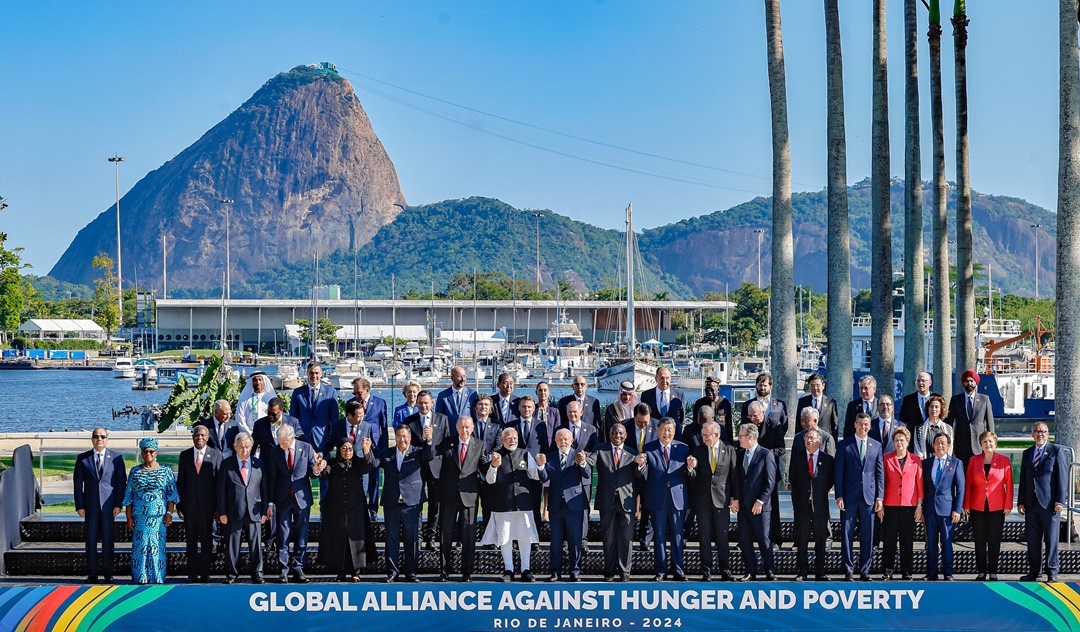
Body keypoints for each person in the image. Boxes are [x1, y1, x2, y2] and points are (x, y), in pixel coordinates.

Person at [425, 415, 485, 582]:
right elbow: (432, 457)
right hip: (448, 496)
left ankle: (467, 572)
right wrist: (428, 441)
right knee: (446, 535)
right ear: (456, 428)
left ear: (472, 428)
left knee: (469, 537)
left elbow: (484, 466)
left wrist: (493, 465)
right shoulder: (447, 443)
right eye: (461, 427)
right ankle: (444, 571)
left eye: (467, 427)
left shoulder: (479, 445)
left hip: (469, 497)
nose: (464, 430)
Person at [481, 427, 541, 582]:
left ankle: (525, 569)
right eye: (508, 438)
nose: (512, 440)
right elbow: (489, 480)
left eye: (514, 437)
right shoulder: (494, 456)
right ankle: (509, 570)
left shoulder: (525, 454)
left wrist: (541, 465)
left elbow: (535, 475)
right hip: (503, 504)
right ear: (502, 440)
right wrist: (494, 466)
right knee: (505, 538)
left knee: (525, 537)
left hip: (523, 503)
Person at [314, 436, 375, 582]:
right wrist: (319, 467)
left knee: (356, 539)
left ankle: (356, 571)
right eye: (344, 448)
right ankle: (340, 571)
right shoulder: (333, 463)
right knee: (339, 539)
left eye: (350, 448)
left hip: (356, 508)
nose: (347, 451)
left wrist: (367, 452)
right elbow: (324, 474)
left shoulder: (358, 462)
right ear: (338, 450)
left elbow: (368, 466)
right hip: (336, 509)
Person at [73, 427, 127, 584]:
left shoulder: (116, 458)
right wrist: (79, 506)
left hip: (109, 508)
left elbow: (120, 483)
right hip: (90, 508)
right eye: (96, 436)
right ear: (92, 439)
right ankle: (92, 574)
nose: (99, 439)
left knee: (108, 541)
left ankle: (108, 573)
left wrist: (118, 504)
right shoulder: (83, 458)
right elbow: (77, 485)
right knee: (90, 541)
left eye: (102, 436)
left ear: (107, 439)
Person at [538, 428, 592, 581]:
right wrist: (541, 466)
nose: (563, 441)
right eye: (560, 439)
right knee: (556, 540)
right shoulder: (550, 457)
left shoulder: (578, 456)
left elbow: (587, 474)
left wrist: (582, 464)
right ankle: (555, 571)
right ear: (555, 441)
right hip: (556, 505)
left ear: (572, 441)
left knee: (575, 540)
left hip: (574, 505)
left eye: (566, 439)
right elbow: (544, 478)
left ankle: (575, 571)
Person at [217, 432, 272, 584]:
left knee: (256, 545)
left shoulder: (258, 464)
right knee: (232, 545)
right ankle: (232, 574)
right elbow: (220, 490)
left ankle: (257, 573)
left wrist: (264, 511)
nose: (245, 450)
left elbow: (264, 488)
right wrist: (222, 512)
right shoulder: (226, 464)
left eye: (248, 447)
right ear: (235, 447)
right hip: (233, 511)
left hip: (254, 512)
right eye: (241, 447)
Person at [122, 437, 179, 584]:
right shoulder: (135, 471)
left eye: (151, 451)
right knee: (140, 547)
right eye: (145, 451)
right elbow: (129, 494)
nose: (148, 454)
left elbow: (171, 493)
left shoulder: (166, 470)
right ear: (141, 453)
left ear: (156, 453)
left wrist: (169, 513)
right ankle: (140, 577)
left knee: (156, 547)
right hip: (140, 516)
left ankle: (157, 577)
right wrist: (128, 516)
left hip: (158, 516)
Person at [835, 412, 884, 581]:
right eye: (861, 423)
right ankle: (848, 570)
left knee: (868, 535)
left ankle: (865, 570)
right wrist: (839, 495)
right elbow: (839, 471)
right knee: (847, 534)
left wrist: (880, 497)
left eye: (866, 424)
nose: (863, 427)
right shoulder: (844, 445)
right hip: (849, 497)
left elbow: (879, 474)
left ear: (870, 426)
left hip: (869, 497)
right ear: (855, 424)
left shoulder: (876, 445)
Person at [639, 417, 690, 581]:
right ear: (657, 430)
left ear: (674, 431)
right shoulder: (648, 448)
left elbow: (689, 475)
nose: (666, 433)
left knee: (677, 536)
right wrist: (640, 464)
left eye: (670, 430)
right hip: (657, 497)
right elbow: (643, 473)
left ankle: (678, 570)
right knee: (659, 536)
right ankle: (660, 571)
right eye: (663, 429)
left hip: (677, 498)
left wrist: (691, 468)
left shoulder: (683, 448)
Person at [376, 425, 428, 582]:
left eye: (405, 436)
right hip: (392, 502)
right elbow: (372, 463)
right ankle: (392, 572)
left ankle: (411, 572)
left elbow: (430, 455)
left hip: (411, 502)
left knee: (412, 539)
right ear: (395, 438)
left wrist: (429, 440)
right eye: (399, 436)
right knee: (391, 539)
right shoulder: (387, 453)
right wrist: (366, 450)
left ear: (410, 437)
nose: (402, 439)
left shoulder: (418, 452)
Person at [267, 424, 318, 584]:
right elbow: (272, 478)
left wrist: (316, 469)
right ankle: (283, 570)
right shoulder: (276, 452)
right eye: (279, 442)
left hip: (301, 498)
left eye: (283, 443)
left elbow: (312, 473)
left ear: (291, 438)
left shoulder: (306, 448)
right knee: (283, 535)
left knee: (301, 535)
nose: (281, 445)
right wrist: (270, 502)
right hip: (282, 498)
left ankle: (298, 568)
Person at [686, 421, 737, 582]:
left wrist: (735, 498)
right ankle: (706, 570)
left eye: (707, 435)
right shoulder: (699, 450)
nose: (704, 438)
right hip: (703, 501)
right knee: (704, 537)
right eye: (703, 435)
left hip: (722, 501)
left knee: (722, 537)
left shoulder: (729, 450)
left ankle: (725, 569)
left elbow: (734, 477)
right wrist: (690, 468)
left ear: (717, 435)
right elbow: (694, 480)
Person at [1018, 422, 1068, 582]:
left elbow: (1062, 478)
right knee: (1033, 540)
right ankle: (1034, 572)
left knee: (1051, 540)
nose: (1040, 434)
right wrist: (1020, 502)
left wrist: (1060, 500)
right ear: (1032, 434)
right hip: (1031, 504)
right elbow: (1024, 479)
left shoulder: (1056, 451)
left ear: (1048, 434)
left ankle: (1052, 571)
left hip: (1049, 504)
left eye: (1043, 432)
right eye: (1037, 432)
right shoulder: (1027, 453)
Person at [593, 423, 642, 582]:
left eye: (621, 433)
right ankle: (609, 572)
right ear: (610, 434)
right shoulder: (600, 449)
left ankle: (624, 572)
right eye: (614, 433)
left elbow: (637, 476)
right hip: (607, 500)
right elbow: (589, 461)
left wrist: (640, 465)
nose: (618, 436)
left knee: (626, 539)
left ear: (626, 435)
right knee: (608, 538)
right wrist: (582, 460)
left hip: (626, 501)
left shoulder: (632, 452)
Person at [403, 390, 449, 550]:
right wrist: (424, 442)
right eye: (420, 402)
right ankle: (418, 537)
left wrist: (433, 452)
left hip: (436, 467)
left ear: (432, 403)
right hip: (417, 468)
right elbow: (407, 445)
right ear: (416, 403)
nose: (423, 405)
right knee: (417, 503)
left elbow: (446, 443)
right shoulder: (409, 421)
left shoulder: (442, 419)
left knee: (435, 505)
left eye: (426, 402)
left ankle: (431, 538)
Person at [964, 431, 1014, 581]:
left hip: (997, 506)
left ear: (996, 443)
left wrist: (1008, 505)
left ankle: (992, 571)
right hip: (977, 505)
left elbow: (1009, 484)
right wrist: (966, 504)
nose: (988, 444)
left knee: (994, 539)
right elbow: (969, 484)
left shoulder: (1004, 460)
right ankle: (981, 571)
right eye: (985, 442)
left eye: (991, 441)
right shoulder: (973, 460)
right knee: (979, 539)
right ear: (980, 444)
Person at [731, 423, 777, 581]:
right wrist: (734, 499)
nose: (739, 439)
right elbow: (736, 480)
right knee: (745, 541)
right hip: (743, 506)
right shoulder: (739, 454)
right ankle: (750, 571)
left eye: (741, 436)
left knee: (764, 540)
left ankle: (769, 570)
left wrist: (760, 501)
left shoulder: (766, 454)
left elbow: (770, 482)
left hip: (760, 507)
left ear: (750, 437)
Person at [177, 425, 221, 583]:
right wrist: (179, 505)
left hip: (208, 508)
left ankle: (205, 573)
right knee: (190, 541)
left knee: (207, 541)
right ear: (193, 437)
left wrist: (218, 507)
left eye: (203, 435)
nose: (199, 438)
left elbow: (219, 483)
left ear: (208, 437)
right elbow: (181, 481)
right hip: (189, 506)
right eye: (197, 435)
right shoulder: (185, 455)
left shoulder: (216, 455)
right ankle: (192, 573)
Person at [789, 427, 833, 581]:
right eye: (807, 437)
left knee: (820, 540)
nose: (809, 440)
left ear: (819, 440)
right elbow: (793, 480)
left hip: (820, 505)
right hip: (802, 506)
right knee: (802, 540)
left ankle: (820, 571)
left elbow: (829, 481)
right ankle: (802, 572)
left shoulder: (827, 459)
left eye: (812, 438)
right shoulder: (797, 457)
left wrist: (818, 493)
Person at [879, 427, 922, 581]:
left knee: (907, 541)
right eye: (896, 440)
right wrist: (881, 503)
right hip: (890, 505)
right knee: (889, 540)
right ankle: (888, 571)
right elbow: (881, 482)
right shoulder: (886, 458)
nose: (899, 443)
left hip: (909, 506)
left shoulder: (915, 460)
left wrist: (919, 505)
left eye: (902, 440)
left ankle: (907, 572)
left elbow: (919, 484)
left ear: (908, 441)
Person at [922, 433, 965, 581]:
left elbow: (960, 488)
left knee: (946, 542)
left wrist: (957, 509)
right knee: (931, 542)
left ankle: (948, 572)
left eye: (943, 443)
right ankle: (931, 572)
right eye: (937, 443)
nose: (940, 445)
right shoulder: (926, 463)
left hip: (947, 509)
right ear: (933, 446)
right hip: (929, 509)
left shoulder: (956, 463)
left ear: (948, 445)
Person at [744, 399, 787, 548]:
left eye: (755, 416)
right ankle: (748, 539)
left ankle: (775, 539)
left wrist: (763, 454)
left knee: (772, 507)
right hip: (751, 474)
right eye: (750, 416)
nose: (752, 419)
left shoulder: (774, 425)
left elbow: (781, 449)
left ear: (763, 413)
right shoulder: (748, 426)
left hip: (768, 471)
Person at [624, 403, 658, 551]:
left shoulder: (657, 425)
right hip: (629, 472)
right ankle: (626, 539)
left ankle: (645, 540)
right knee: (628, 508)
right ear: (634, 416)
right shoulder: (624, 426)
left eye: (646, 422)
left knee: (648, 508)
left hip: (649, 474)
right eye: (639, 422)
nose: (643, 425)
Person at [947, 369, 995, 466]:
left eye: (972, 381)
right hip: (961, 446)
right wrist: (950, 445)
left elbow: (990, 423)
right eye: (967, 381)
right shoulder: (955, 400)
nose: (969, 383)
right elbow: (949, 424)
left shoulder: (984, 399)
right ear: (963, 383)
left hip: (979, 445)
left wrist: (991, 443)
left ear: (976, 383)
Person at [292, 361, 339, 454]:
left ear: (321, 374)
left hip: (322, 441)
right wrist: (299, 437)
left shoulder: (331, 392)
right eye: (311, 373)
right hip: (303, 441)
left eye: (317, 373)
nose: (314, 376)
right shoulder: (297, 393)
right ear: (307, 374)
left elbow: (334, 420)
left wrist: (331, 441)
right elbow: (293, 419)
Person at [739, 373, 788, 440]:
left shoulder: (780, 405)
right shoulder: (747, 405)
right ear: (756, 386)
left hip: (773, 443)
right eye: (760, 385)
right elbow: (744, 425)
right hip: (753, 442)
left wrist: (777, 438)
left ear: (771, 386)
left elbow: (784, 426)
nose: (762, 388)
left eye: (765, 386)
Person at [641, 367, 687, 432]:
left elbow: (682, 417)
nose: (664, 381)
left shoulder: (679, 395)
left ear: (670, 379)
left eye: (667, 378)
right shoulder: (646, 395)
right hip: (653, 434)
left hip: (674, 435)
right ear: (656, 379)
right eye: (662, 378)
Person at [795, 374, 839, 441]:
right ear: (809, 386)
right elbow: (798, 423)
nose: (815, 388)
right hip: (807, 440)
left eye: (818, 385)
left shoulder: (831, 402)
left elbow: (834, 425)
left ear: (823, 386)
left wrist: (834, 444)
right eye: (812, 385)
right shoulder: (802, 401)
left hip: (824, 440)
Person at [692, 377, 734, 445]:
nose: (709, 393)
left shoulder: (725, 403)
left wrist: (730, 443)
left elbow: (729, 425)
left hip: (721, 439)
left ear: (718, 390)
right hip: (704, 440)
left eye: (712, 390)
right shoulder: (699, 403)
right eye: (707, 390)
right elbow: (694, 424)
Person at [535, 381, 561, 446]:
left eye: (545, 390)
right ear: (536, 392)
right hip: (534, 444)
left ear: (549, 392)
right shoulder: (532, 409)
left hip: (550, 445)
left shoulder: (554, 411)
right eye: (540, 390)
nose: (543, 392)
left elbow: (557, 429)